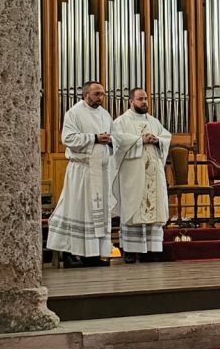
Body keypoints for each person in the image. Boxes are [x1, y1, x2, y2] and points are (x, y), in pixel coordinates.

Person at [46, 81, 116, 267]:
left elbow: (114, 137)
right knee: (77, 210)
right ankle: (71, 254)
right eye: (97, 94)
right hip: (82, 171)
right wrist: (94, 138)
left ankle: (94, 254)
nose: (101, 97)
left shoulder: (105, 115)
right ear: (86, 95)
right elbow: (67, 138)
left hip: (100, 171)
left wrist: (110, 140)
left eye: (102, 94)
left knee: (97, 213)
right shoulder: (74, 113)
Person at [111, 88, 172, 264]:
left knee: (154, 209)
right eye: (140, 99)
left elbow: (166, 137)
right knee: (133, 209)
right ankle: (131, 251)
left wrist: (157, 140)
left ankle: (152, 250)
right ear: (131, 101)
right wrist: (140, 140)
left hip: (153, 172)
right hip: (133, 174)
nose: (144, 102)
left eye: (145, 98)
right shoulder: (121, 122)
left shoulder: (153, 121)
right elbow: (117, 141)